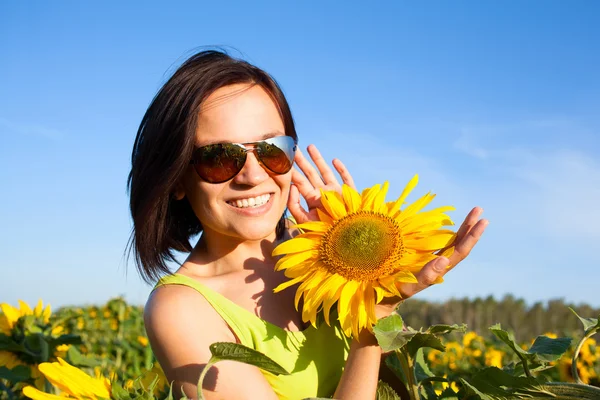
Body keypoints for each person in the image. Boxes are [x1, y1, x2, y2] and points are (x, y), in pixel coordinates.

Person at [126, 49, 488, 400]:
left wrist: (356, 249)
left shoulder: (324, 257)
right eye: (219, 158)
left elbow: (393, 386)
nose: (253, 175)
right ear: (174, 179)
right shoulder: (180, 309)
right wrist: (372, 326)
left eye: (271, 150)